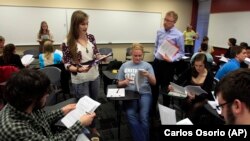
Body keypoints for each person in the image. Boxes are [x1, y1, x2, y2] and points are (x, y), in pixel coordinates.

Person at [0, 69, 96, 140]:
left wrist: (62, 111)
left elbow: (41, 121)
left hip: (46, 134)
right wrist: (80, 124)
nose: (47, 97)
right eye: (45, 95)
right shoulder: (15, 129)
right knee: (85, 133)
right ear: (33, 99)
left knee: (84, 132)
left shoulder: (22, 104)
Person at [62, 10, 104, 136]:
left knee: (94, 104)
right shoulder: (67, 42)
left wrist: (101, 56)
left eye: (87, 24)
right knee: (85, 108)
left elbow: (95, 53)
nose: (85, 27)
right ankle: (84, 131)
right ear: (75, 25)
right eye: (82, 24)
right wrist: (78, 69)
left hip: (94, 76)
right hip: (80, 79)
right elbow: (67, 64)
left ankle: (93, 128)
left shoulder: (91, 37)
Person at [117, 43, 156, 141]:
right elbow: (118, 84)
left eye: (140, 56)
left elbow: (154, 83)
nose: (138, 58)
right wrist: (124, 82)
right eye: (135, 56)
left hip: (144, 93)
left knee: (144, 116)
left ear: (143, 55)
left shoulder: (147, 66)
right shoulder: (124, 65)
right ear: (131, 54)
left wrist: (148, 76)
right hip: (130, 93)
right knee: (130, 114)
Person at [152, 11, 184, 113]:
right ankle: (152, 109)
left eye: (168, 20)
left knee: (166, 88)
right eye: (165, 19)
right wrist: (156, 55)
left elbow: (181, 53)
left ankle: (165, 111)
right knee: (154, 86)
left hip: (168, 65)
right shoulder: (159, 31)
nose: (165, 22)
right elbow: (156, 46)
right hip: (157, 63)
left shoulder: (178, 35)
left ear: (174, 22)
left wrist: (172, 59)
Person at [169, 53, 214, 124]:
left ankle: (186, 123)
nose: (198, 68)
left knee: (195, 107)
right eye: (196, 65)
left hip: (203, 98)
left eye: (200, 66)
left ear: (205, 64)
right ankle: (187, 122)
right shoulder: (191, 70)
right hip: (190, 95)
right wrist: (173, 85)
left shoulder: (209, 75)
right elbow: (180, 79)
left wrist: (195, 96)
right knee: (188, 103)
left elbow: (205, 93)